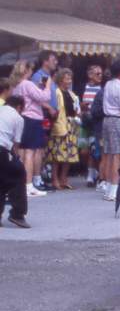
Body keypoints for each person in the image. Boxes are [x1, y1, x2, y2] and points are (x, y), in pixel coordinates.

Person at [12, 61, 54, 195]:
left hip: (22, 118)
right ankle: (29, 185)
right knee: (31, 152)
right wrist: (47, 86)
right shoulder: (27, 84)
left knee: (23, 152)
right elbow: (44, 96)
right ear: (27, 70)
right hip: (32, 118)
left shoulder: (16, 85)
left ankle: (23, 183)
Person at [99, 63, 120, 201]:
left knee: (109, 154)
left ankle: (109, 187)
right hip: (118, 120)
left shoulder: (108, 84)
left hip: (107, 119)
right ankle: (115, 189)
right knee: (118, 156)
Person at [0, 85, 31, 227]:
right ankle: (17, 214)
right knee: (18, 174)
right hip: (2, 149)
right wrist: (16, 159)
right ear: (19, 107)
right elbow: (15, 145)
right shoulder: (18, 118)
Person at [45, 68, 81, 191]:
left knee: (69, 155)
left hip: (71, 125)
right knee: (57, 155)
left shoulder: (71, 94)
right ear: (61, 80)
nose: (69, 81)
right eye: (67, 78)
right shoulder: (56, 92)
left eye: (70, 78)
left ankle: (63, 178)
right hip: (60, 124)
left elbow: (75, 108)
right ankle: (55, 179)